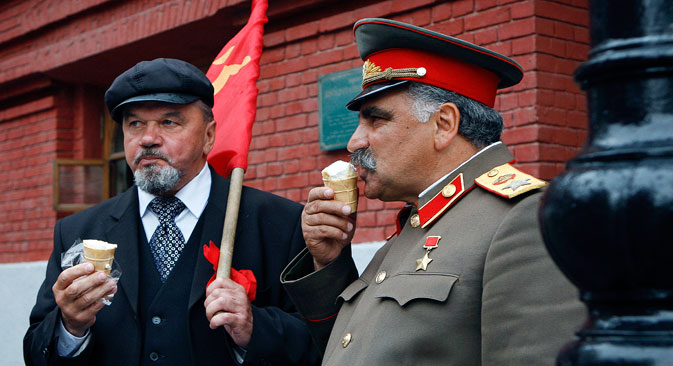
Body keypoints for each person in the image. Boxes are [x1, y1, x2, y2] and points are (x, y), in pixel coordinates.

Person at [281, 18, 585, 365]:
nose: (354, 142)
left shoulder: (524, 219)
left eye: (375, 120)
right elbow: (356, 349)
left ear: (443, 125)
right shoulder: (421, 220)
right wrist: (329, 262)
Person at [24, 58, 318, 365]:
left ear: (208, 136)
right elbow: (35, 350)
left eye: (169, 122)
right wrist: (70, 327)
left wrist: (254, 328)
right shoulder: (78, 232)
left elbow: (321, 343)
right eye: (134, 123)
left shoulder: (280, 223)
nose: (148, 138)